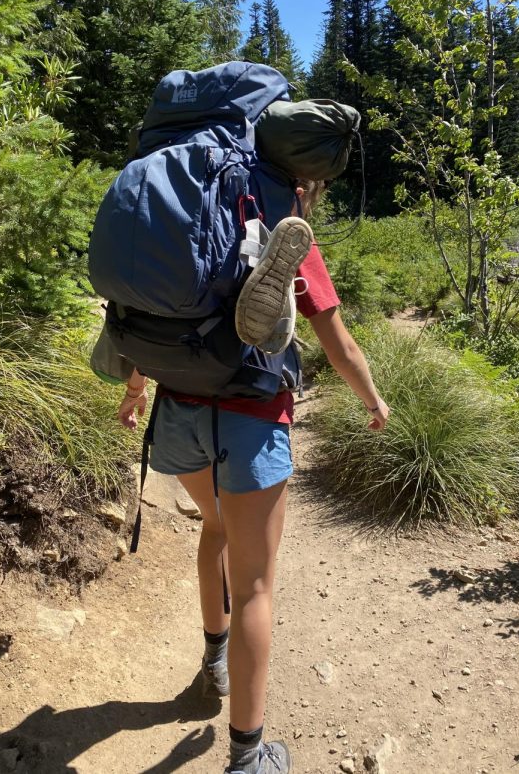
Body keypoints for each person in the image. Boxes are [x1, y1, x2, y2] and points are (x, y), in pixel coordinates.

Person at [116, 181, 390, 774]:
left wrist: (136, 388)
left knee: (214, 527)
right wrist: (372, 399)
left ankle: (214, 659)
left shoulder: (185, 227)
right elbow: (337, 342)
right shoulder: (286, 240)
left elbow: (150, 314)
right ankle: (248, 758)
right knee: (256, 587)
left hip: (176, 414)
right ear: (300, 184)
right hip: (251, 420)